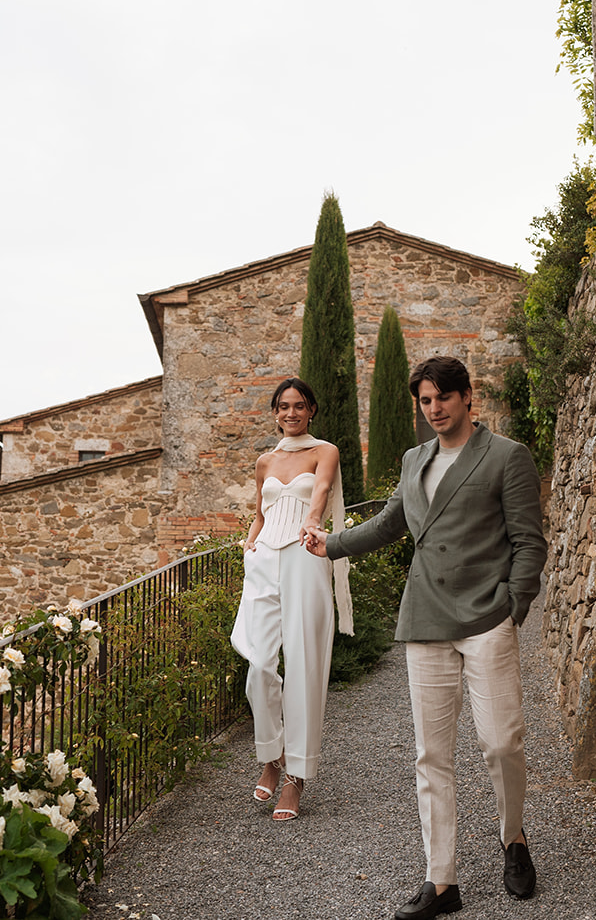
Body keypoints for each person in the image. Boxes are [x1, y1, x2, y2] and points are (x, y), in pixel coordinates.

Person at [305, 355, 545, 919]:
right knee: (431, 754)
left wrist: (515, 605)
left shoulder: (507, 456)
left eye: (443, 398)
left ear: (467, 398)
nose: (433, 409)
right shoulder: (415, 460)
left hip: (488, 616)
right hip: (426, 619)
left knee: (501, 741)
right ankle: (442, 880)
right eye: (425, 401)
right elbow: (392, 524)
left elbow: (529, 541)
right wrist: (331, 544)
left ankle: (513, 838)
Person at [229, 376, 354, 821]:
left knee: (303, 665)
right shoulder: (264, 461)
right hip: (263, 562)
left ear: (312, 409)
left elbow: (319, 493)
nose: (291, 413)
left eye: (299, 405)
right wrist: (249, 545)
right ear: (275, 411)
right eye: (283, 406)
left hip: (305, 555)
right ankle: (270, 757)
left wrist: (314, 519)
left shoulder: (326, 452)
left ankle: (296, 777)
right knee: (259, 664)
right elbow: (259, 514)